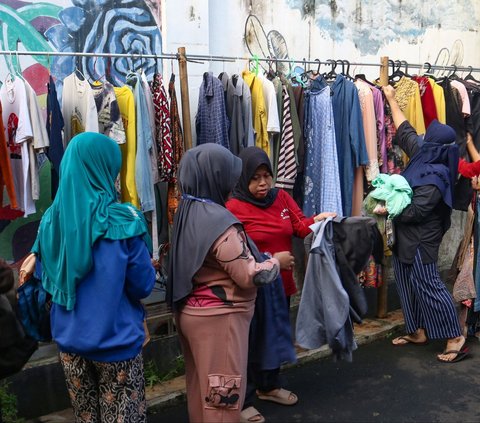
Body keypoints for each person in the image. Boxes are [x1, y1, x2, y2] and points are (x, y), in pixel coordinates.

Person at [30, 132, 156, 422]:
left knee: (86, 418)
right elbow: (143, 285)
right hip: (117, 344)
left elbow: (47, 279)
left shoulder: (51, 221)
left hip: (70, 344)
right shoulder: (124, 220)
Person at [167, 143, 292, 423]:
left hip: (193, 314)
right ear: (216, 175)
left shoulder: (188, 210)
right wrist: (275, 262)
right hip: (220, 321)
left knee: (203, 393)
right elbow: (248, 275)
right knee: (222, 400)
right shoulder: (219, 222)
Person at [226, 146, 336, 422]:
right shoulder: (232, 207)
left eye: (267, 176)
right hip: (252, 289)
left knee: (274, 335)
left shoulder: (282, 197)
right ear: (243, 178)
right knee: (250, 343)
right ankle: (245, 399)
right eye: (255, 178)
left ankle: (269, 386)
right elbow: (234, 252)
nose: (263, 183)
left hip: (281, 285)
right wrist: (272, 259)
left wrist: (319, 221)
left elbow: (300, 226)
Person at [382, 85, 466, 363]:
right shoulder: (424, 152)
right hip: (405, 235)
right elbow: (405, 130)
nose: (420, 140)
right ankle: (418, 331)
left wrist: (388, 207)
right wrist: (391, 99)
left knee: (427, 281)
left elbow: (416, 210)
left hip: (422, 238)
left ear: (434, 145)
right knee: (406, 281)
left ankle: (455, 335)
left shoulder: (437, 176)